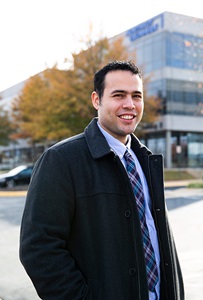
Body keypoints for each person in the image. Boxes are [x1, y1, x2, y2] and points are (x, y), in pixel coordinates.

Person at [19, 60, 184, 300]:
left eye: (136, 96)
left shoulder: (145, 160)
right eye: (119, 95)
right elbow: (39, 249)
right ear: (97, 100)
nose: (130, 105)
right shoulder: (60, 160)